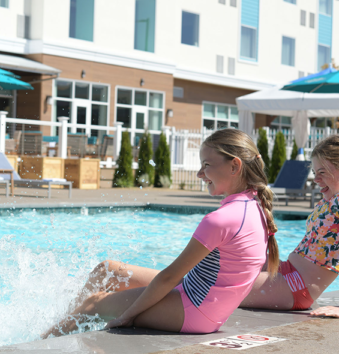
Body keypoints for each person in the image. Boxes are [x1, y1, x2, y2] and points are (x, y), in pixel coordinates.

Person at [43, 129, 279, 337]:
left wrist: (127, 316)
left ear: (234, 166)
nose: (199, 174)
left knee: (93, 304)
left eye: (206, 165)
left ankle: (42, 342)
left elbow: (169, 277)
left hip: (195, 312)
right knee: (107, 270)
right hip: (201, 300)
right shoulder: (255, 206)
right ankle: (66, 323)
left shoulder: (221, 219)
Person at [239, 135, 339, 318]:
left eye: (323, 172)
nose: (316, 179)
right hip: (287, 271)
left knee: (213, 284)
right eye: (315, 172)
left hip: (296, 285)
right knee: (214, 265)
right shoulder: (331, 200)